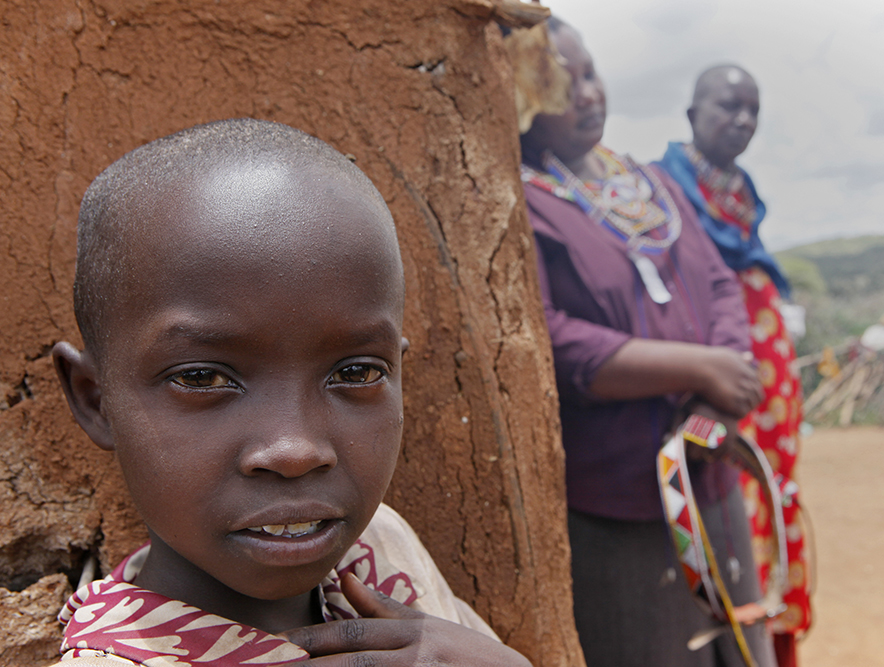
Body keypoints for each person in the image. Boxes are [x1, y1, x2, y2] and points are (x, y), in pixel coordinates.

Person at [49, 118, 531, 667]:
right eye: (203, 378)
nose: (295, 450)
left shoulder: (381, 549)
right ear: (94, 398)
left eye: (355, 373)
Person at [520, 18, 776, 667]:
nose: (587, 94)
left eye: (590, 73)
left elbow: (719, 284)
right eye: (561, 80)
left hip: (708, 474)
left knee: (745, 648)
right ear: (517, 97)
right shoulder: (521, 205)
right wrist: (701, 365)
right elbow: (552, 340)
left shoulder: (651, 183)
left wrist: (721, 397)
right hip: (618, 503)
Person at [655, 65, 812, 667]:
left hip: (764, 386)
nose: (743, 120)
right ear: (693, 114)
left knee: (772, 491)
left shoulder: (739, 188)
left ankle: (774, 633)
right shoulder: (665, 187)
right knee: (727, 500)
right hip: (715, 376)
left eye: (753, 109)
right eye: (728, 107)